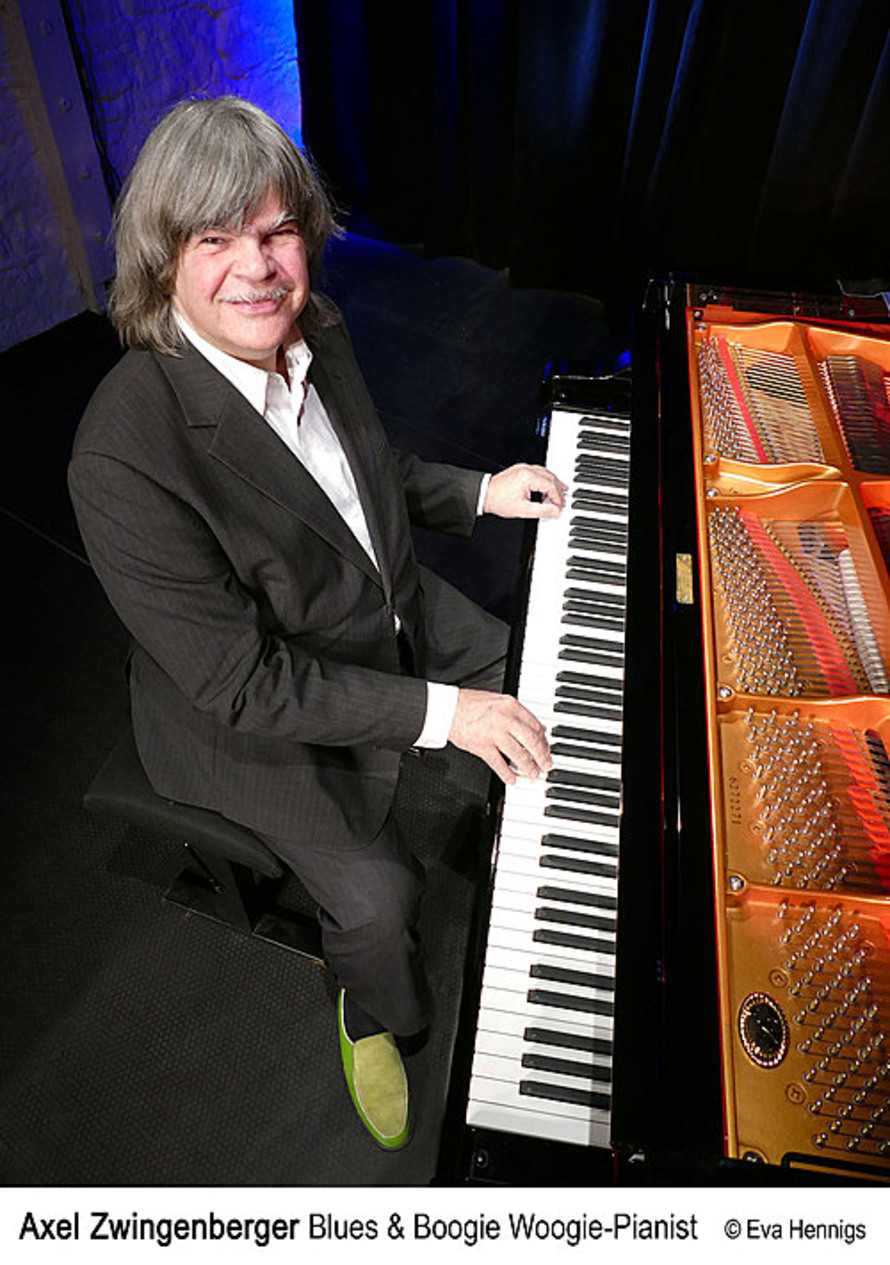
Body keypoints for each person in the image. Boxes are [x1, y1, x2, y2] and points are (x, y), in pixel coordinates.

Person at [69, 95, 566, 1151]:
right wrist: (444, 713)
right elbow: (242, 682)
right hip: (250, 710)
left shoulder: (316, 329)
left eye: (276, 230)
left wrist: (477, 491)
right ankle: (373, 1011)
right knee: (382, 900)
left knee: (541, 679)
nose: (257, 267)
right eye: (214, 239)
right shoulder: (121, 456)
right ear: (162, 260)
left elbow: (359, 476)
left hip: (375, 604)